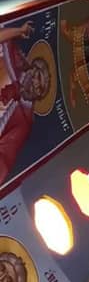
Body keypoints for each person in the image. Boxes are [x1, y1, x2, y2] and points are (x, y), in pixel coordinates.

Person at [0, 22, 54, 187]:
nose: (35, 84)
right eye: (37, 76)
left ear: (40, 95)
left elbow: (4, 158)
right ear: (30, 69)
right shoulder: (12, 62)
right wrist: (19, 30)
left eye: (40, 88)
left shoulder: (23, 122)